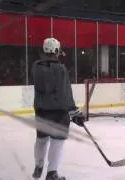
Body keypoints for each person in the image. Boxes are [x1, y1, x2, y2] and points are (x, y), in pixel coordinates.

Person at [32, 37, 85, 180]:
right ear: (56, 50)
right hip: (58, 112)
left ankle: (38, 165)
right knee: (57, 141)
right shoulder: (61, 69)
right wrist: (74, 113)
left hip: (41, 110)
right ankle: (51, 173)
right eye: (58, 50)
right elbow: (65, 94)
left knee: (41, 139)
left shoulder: (36, 66)